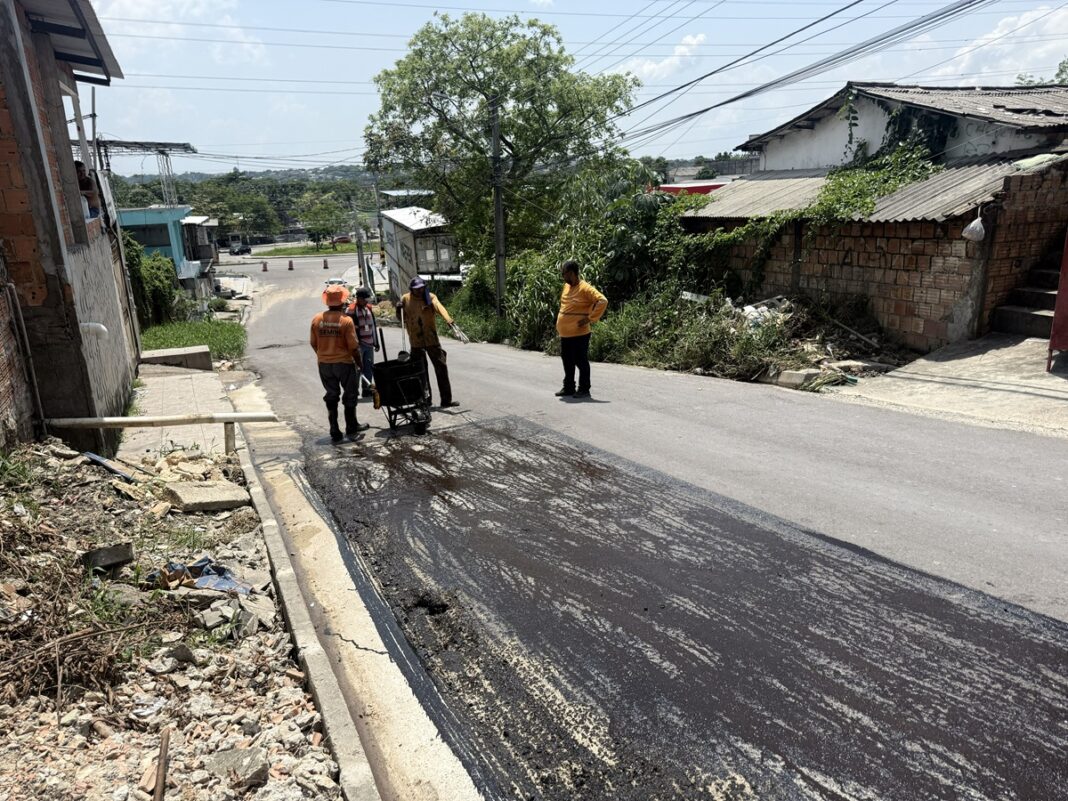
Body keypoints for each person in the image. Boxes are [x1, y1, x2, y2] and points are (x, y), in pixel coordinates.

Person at [396, 277, 467, 408]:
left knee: (441, 369)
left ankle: (446, 400)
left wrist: (449, 320)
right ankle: (425, 400)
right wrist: (398, 308)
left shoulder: (430, 297)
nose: (420, 291)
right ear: (412, 289)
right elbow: (400, 319)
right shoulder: (405, 299)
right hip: (416, 342)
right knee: (421, 373)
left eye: (422, 288)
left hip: (432, 340)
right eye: (417, 289)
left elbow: (440, 307)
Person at [310, 285, 369, 442]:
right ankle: (351, 427)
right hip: (344, 364)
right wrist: (360, 364)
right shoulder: (346, 321)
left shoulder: (317, 319)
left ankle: (334, 429)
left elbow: (313, 343)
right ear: (342, 301)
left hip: (324, 364)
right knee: (350, 395)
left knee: (332, 395)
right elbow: (354, 347)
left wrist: (324, 355)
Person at [555, 260, 607, 399]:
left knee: (580, 360)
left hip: (579, 334)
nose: (562, 277)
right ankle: (569, 387)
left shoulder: (585, 288)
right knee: (567, 360)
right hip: (565, 334)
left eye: (563, 274)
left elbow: (602, 301)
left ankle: (584, 389)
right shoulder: (566, 286)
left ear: (571, 273)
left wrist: (590, 318)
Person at [346, 287, 378, 397]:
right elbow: (348, 330)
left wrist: (376, 342)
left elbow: (373, 326)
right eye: (365, 299)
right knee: (356, 369)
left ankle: (366, 389)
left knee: (368, 368)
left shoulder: (368, 308)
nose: (367, 301)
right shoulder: (350, 311)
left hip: (369, 344)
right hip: (358, 345)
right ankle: (353, 391)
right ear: (359, 299)